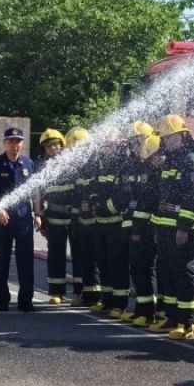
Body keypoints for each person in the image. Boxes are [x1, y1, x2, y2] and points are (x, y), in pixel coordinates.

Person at [149, 114, 194, 340]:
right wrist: (157, 228)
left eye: (173, 137)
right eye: (166, 137)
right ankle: (172, 317)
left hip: (180, 231)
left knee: (185, 273)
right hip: (164, 229)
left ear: (183, 136)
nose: (170, 141)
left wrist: (184, 227)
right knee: (167, 272)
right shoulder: (169, 161)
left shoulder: (190, 162)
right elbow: (162, 197)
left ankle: (187, 322)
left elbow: (192, 198)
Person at [0, 127, 38, 312]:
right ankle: (3, 301)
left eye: (18, 141)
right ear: (5, 143)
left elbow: (35, 190)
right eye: (11, 141)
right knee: (2, 261)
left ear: (22, 143)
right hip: (2, 220)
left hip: (23, 220)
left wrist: (37, 214)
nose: (15, 145)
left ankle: (25, 302)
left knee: (26, 261)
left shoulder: (29, 164)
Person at [90, 137, 133, 317]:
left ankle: (119, 304)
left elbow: (122, 196)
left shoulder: (122, 166)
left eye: (108, 146)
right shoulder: (100, 166)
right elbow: (93, 187)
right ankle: (106, 299)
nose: (105, 149)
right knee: (103, 263)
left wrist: (102, 207)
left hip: (116, 224)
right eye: (103, 146)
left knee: (118, 265)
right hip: (100, 224)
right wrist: (93, 202)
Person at [124, 125, 160, 326]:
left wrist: (140, 228)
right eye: (133, 141)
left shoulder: (153, 171)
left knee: (146, 268)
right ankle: (142, 308)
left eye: (139, 141)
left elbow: (147, 204)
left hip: (148, 229)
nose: (136, 145)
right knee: (137, 268)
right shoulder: (137, 166)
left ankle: (149, 312)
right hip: (137, 227)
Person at [35, 129, 72, 305]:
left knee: (80, 256)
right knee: (55, 256)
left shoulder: (72, 162)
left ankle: (82, 293)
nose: (52, 148)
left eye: (55, 144)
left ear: (61, 145)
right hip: (54, 218)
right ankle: (57, 293)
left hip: (75, 217)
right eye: (48, 146)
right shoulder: (43, 167)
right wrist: (38, 215)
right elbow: (37, 193)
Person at [72, 128, 103, 309]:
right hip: (83, 222)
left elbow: (96, 192)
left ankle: (96, 295)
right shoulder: (81, 167)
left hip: (95, 222)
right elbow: (77, 195)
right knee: (86, 260)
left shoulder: (95, 164)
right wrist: (76, 217)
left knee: (95, 260)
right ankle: (89, 294)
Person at [65, 127, 90, 306]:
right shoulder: (76, 167)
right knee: (80, 256)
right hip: (80, 220)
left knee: (90, 258)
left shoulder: (92, 164)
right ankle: (81, 292)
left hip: (92, 221)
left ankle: (88, 293)